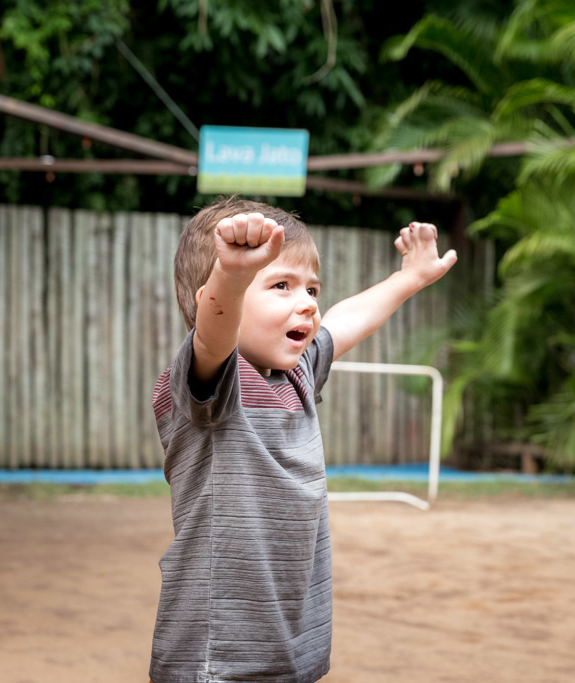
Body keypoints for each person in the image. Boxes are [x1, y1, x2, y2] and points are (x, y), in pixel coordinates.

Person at [148, 195, 457, 683]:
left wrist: (411, 277)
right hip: (219, 658)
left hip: (293, 651)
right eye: (281, 285)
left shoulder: (297, 377)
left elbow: (347, 319)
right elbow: (212, 336)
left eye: (311, 288)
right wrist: (231, 274)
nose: (308, 303)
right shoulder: (208, 386)